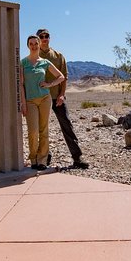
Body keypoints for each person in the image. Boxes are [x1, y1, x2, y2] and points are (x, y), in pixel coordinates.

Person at [36, 28, 90, 169]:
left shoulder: (59, 56)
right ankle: (45, 156)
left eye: (46, 36)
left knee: (67, 126)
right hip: (41, 98)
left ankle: (77, 157)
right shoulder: (35, 56)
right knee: (42, 128)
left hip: (56, 98)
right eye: (41, 36)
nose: (44, 38)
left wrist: (61, 95)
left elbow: (64, 77)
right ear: (37, 38)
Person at [20, 35, 65, 170]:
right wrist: (23, 103)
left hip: (45, 99)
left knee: (43, 130)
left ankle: (42, 160)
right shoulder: (23, 63)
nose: (33, 46)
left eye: (35, 43)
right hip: (30, 101)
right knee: (33, 131)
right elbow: (21, 85)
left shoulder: (44, 62)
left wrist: (49, 84)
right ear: (28, 46)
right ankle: (33, 158)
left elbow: (61, 77)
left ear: (39, 45)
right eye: (31, 44)